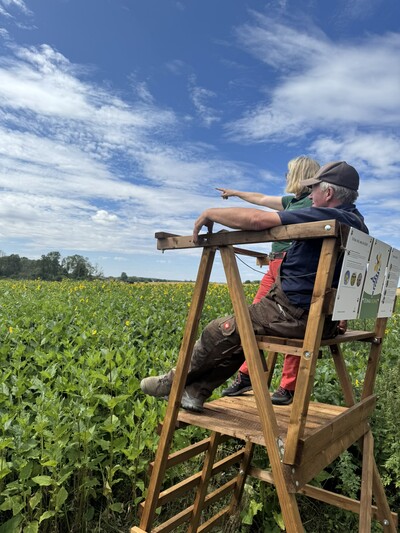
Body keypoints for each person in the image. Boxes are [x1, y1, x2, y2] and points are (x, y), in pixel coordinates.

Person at [140, 161, 368, 413]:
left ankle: (172, 382)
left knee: (219, 330)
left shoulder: (329, 216)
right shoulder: (358, 223)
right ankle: (195, 392)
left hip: (295, 314)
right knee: (245, 331)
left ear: (328, 193)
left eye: (314, 189)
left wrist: (210, 213)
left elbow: (258, 219)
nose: (310, 195)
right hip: (324, 321)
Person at [216, 155, 318, 404]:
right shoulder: (291, 201)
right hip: (274, 265)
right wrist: (235, 192)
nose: (286, 176)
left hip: (293, 267)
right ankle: (247, 374)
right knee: (251, 316)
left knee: (291, 323)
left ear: (299, 175)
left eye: (289, 172)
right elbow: (260, 199)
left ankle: (288, 386)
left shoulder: (311, 204)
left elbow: (260, 215)